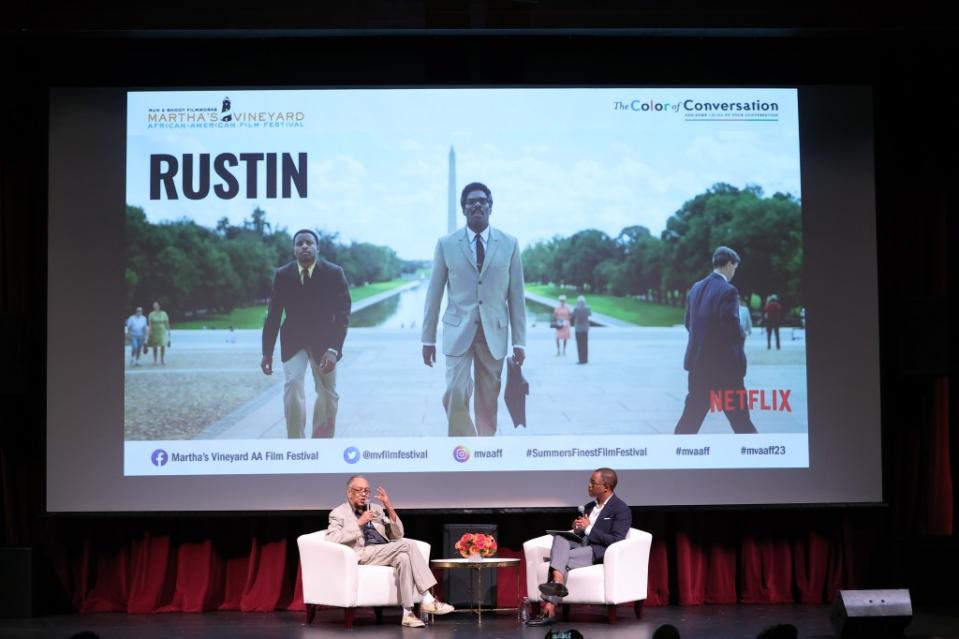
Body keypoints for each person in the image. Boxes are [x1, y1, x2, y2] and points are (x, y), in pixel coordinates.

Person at [422, 182, 527, 436]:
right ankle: (463, 448)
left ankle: (486, 451)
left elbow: (516, 296)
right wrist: (427, 339)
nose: (477, 204)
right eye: (471, 202)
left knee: (488, 398)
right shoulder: (446, 244)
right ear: (464, 209)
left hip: (494, 332)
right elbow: (434, 294)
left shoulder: (510, 243)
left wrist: (519, 342)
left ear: (490, 207)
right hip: (458, 331)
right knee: (455, 392)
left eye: (482, 201)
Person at [326, 476, 454, 628]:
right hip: (362, 553)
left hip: (384, 550)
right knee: (409, 546)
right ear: (349, 492)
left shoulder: (376, 509)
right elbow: (332, 538)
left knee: (404, 558)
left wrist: (389, 507)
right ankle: (427, 597)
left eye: (366, 491)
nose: (363, 494)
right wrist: (359, 523)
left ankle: (408, 614)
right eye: (359, 490)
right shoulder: (338, 513)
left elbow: (397, 535)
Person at [261, 229, 351, 439]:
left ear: (317, 248)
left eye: (309, 243)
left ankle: (321, 444)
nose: (304, 246)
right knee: (292, 386)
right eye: (299, 243)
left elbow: (343, 313)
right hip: (293, 341)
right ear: (294, 249)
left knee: (327, 395)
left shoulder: (333, 272)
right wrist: (267, 352)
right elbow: (273, 315)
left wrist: (334, 349)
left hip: (325, 343)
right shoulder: (283, 275)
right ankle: (296, 445)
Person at [527, 468, 632, 626]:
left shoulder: (621, 509)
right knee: (561, 537)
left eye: (592, 482)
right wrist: (577, 529)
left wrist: (589, 528)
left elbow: (615, 540)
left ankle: (549, 608)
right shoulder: (589, 507)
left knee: (560, 561)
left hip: (597, 551)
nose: (588, 485)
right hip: (581, 545)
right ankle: (558, 582)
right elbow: (583, 533)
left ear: (606, 486)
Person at [673, 247, 757, 435]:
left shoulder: (696, 288)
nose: (734, 272)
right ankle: (757, 456)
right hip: (724, 370)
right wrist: (741, 342)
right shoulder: (728, 290)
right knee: (742, 422)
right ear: (728, 264)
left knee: (689, 421)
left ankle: (675, 453)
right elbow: (731, 330)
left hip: (698, 366)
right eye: (734, 267)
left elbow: (689, 324)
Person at [146, 301, 171, 365]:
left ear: (159, 306)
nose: (155, 306)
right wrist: (149, 332)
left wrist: (169, 330)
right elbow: (150, 324)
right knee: (155, 346)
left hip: (162, 331)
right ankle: (155, 360)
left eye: (156, 305)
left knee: (163, 345)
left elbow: (166, 322)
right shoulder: (151, 314)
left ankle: (162, 359)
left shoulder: (164, 313)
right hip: (154, 331)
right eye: (154, 305)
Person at [571, 295, 592, 364]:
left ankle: (581, 359)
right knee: (585, 344)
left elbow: (573, 315)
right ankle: (585, 359)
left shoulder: (576, 308)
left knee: (579, 344)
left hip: (578, 328)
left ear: (578, 301)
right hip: (585, 328)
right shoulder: (588, 308)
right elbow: (589, 314)